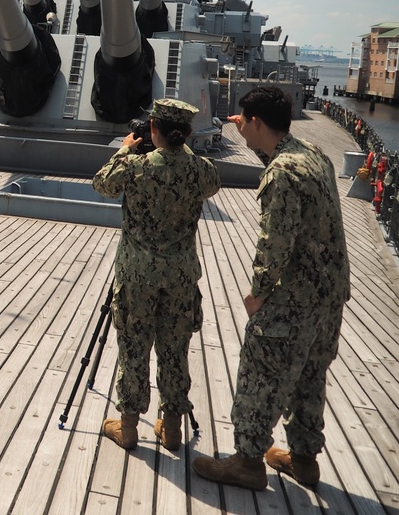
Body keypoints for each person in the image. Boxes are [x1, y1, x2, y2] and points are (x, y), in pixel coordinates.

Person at [193, 86, 350, 490]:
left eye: (243, 120)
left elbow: (275, 241)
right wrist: (250, 134)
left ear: (257, 122)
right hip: (329, 296)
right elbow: (280, 160)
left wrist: (258, 293)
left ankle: (247, 462)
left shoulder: (280, 175)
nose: (239, 124)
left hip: (293, 298)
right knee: (309, 378)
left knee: (261, 375)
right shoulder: (312, 154)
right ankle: (304, 460)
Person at [92, 98, 221, 451]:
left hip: (137, 277)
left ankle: (130, 427)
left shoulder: (135, 167)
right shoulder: (202, 170)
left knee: (134, 349)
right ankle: (172, 426)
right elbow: (209, 182)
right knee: (175, 350)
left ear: (153, 129)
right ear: (188, 134)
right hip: (180, 276)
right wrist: (184, 153)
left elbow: (101, 184)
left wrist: (124, 150)